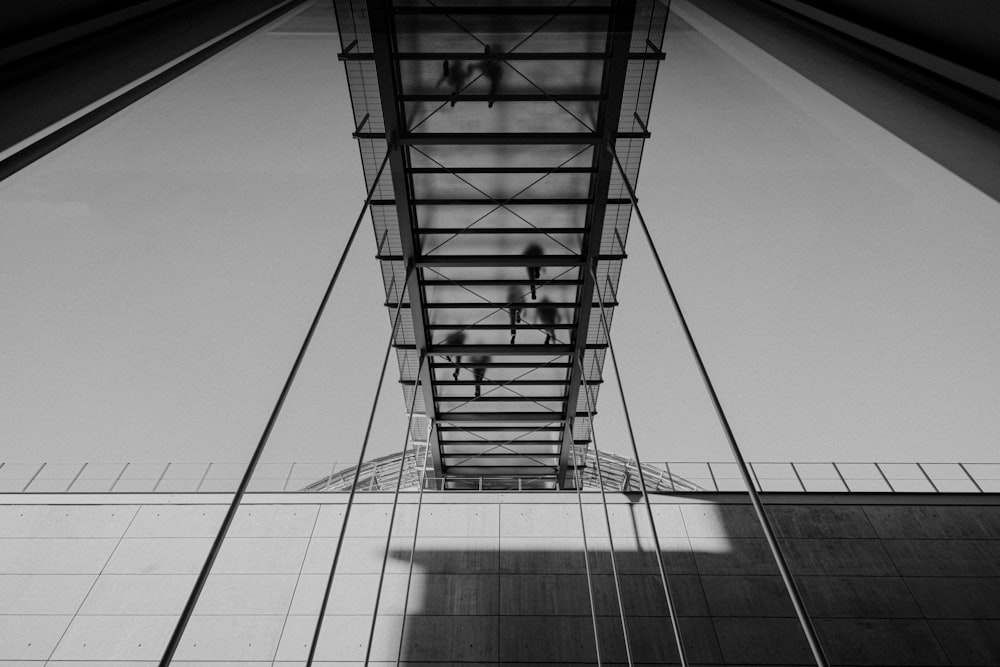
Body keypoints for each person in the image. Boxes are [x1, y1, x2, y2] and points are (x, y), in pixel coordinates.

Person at [473, 44, 504, 108]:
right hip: (492, 71)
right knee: (494, 83)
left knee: (494, 83)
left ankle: (492, 97)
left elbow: (481, 65)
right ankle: (492, 97)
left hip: (492, 71)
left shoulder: (489, 64)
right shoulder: (491, 65)